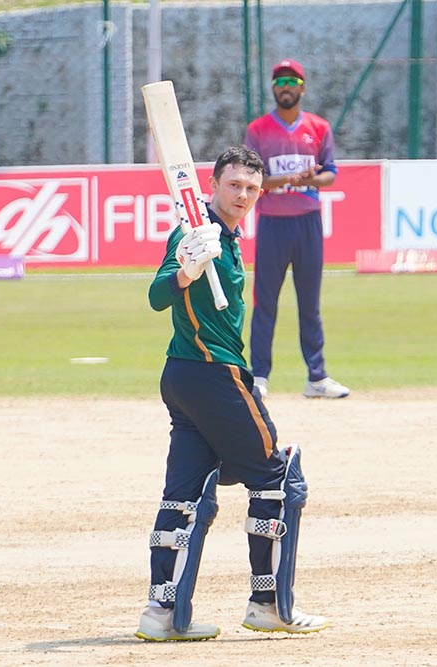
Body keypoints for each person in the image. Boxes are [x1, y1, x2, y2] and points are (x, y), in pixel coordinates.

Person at [135, 145, 328, 642]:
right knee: (277, 477)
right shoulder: (194, 232)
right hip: (213, 373)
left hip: (185, 376)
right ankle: (269, 604)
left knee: (184, 493)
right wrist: (186, 270)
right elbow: (156, 296)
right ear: (213, 186)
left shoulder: (230, 238)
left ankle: (161, 613)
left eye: (251, 188)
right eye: (234, 185)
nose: (243, 195)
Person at [244, 58, 350, 400]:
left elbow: (330, 173)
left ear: (302, 88)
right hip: (272, 224)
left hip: (308, 222)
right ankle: (259, 376)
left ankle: (316, 378)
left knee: (309, 304)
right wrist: (287, 179)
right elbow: (253, 179)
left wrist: (310, 180)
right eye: (280, 82)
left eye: (292, 82)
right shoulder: (258, 129)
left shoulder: (318, 127)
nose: (286, 88)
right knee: (265, 304)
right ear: (273, 88)